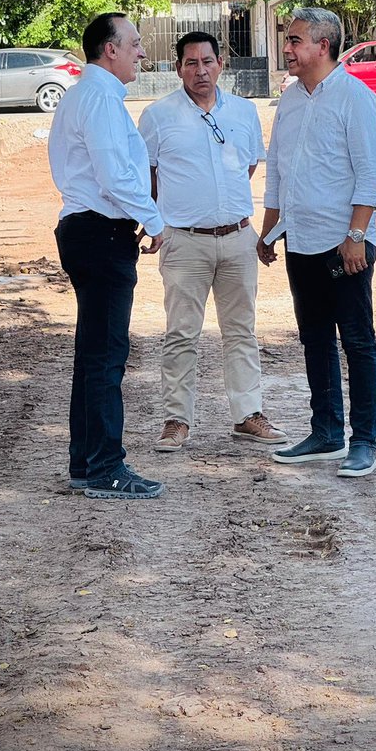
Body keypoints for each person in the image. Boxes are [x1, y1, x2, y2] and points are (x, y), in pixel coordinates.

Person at [137, 31, 287, 452]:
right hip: (184, 242)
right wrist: (157, 223)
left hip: (238, 237)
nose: (200, 71)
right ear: (178, 67)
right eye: (190, 63)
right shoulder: (158, 116)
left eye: (207, 61)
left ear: (221, 63)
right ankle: (176, 420)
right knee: (181, 333)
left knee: (242, 330)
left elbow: (250, 167)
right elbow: (147, 176)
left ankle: (247, 414)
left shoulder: (243, 112)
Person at [258, 7, 376, 478]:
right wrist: (269, 229)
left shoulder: (357, 98)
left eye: (294, 41)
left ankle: (364, 441)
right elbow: (278, 170)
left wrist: (356, 236)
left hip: (344, 244)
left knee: (356, 341)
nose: (287, 49)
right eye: (288, 40)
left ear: (323, 46)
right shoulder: (291, 100)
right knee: (314, 339)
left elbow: (372, 173)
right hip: (301, 241)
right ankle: (326, 433)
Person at [48, 12, 166, 501]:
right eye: (134, 43)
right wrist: (156, 221)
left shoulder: (91, 95)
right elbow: (115, 176)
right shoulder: (97, 98)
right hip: (100, 234)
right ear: (109, 49)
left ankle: (87, 464)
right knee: (105, 356)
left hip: (93, 232)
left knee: (95, 353)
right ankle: (103, 469)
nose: (142, 51)